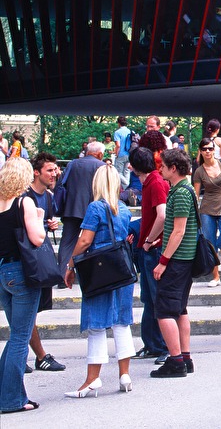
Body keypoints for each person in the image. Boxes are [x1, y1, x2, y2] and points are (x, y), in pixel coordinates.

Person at [63, 164, 136, 397]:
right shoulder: (123, 209)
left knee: (96, 324)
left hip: (99, 271)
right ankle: (124, 375)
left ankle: (92, 380)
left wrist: (70, 265)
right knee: (121, 322)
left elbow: (85, 241)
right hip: (122, 270)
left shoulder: (95, 208)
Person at [0, 158, 45, 414]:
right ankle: (10, 400)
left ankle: (9, 394)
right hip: (21, 271)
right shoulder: (23, 201)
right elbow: (37, 239)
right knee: (20, 336)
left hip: (2, 271)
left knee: (16, 334)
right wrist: (39, 217)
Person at [150, 148, 198, 379]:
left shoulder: (179, 193)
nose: (160, 170)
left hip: (177, 259)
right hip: (185, 259)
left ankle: (176, 361)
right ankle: (185, 358)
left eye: (163, 166)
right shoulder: (184, 189)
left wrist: (163, 261)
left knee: (164, 310)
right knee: (180, 309)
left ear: (174, 168)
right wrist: (150, 240)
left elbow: (178, 231)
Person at [23, 153, 66, 373]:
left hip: (40, 259)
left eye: (56, 169)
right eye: (50, 170)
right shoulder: (23, 196)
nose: (55, 173)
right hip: (25, 261)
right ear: (36, 172)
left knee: (31, 312)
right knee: (27, 311)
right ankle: (38, 356)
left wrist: (49, 224)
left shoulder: (48, 197)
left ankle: (21, 356)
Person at [128, 147, 168, 364]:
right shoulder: (152, 181)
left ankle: (162, 346)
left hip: (153, 249)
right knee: (149, 299)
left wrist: (149, 241)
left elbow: (161, 215)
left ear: (134, 167)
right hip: (149, 249)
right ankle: (153, 344)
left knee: (155, 298)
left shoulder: (154, 182)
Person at [192, 138, 221, 287]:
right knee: (209, 242)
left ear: (214, 150)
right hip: (207, 207)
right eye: (204, 149)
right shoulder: (199, 171)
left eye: (210, 148)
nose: (207, 151)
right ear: (200, 151)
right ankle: (215, 276)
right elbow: (196, 193)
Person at [56, 141, 106, 272]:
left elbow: (61, 184)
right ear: (100, 154)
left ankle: (62, 274)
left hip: (71, 209)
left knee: (67, 242)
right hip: (94, 211)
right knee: (93, 242)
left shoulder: (72, 164)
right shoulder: (102, 166)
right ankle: (92, 275)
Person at [112, 116, 131, 185]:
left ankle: (126, 183)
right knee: (126, 171)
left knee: (118, 172)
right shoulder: (130, 131)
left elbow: (118, 145)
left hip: (121, 154)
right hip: (129, 154)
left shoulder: (117, 132)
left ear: (118, 123)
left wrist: (116, 153)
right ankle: (126, 188)